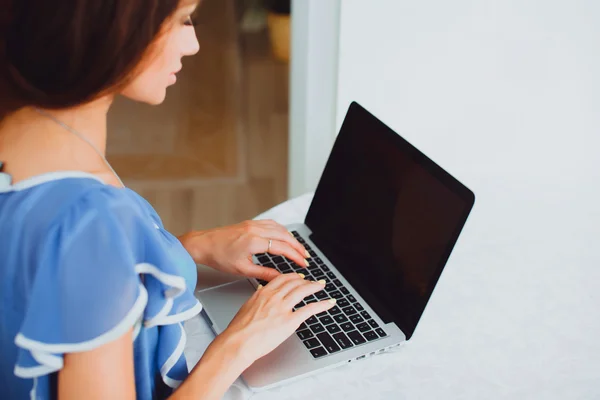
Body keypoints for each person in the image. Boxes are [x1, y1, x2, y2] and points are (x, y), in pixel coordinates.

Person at [0, 0, 336, 398]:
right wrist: (237, 345)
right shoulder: (92, 218)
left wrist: (189, 246)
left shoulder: (27, 133)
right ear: (116, 30)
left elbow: (44, 267)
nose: (193, 43)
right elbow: (79, 248)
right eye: (181, 21)